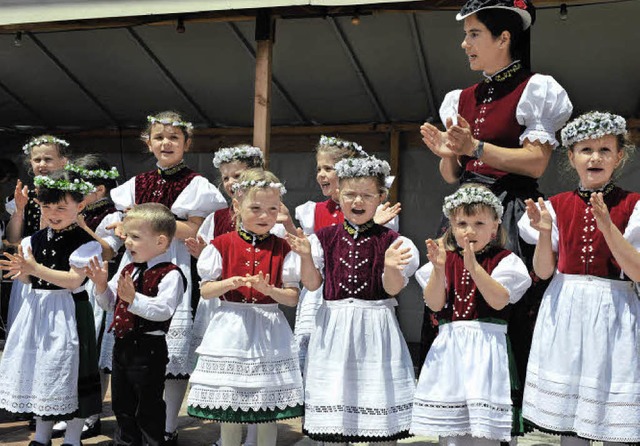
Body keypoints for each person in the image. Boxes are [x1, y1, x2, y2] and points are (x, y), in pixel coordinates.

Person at [418, 0, 573, 399]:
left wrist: (476, 146)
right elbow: (453, 175)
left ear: (504, 38)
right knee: (453, 300)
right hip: (465, 211)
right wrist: (450, 155)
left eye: (474, 34)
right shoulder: (460, 98)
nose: (464, 44)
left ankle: (507, 407)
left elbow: (536, 163)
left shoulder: (536, 89)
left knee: (509, 305)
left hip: (508, 211)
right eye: (466, 34)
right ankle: (455, 403)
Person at [518, 111, 640, 444]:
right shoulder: (556, 206)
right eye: (585, 150)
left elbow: (637, 271)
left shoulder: (634, 205)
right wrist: (544, 233)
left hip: (615, 307)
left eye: (604, 150)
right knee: (570, 419)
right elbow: (544, 271)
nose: (595, 157)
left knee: (615, 409)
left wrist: (608, 227)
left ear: (619, 156)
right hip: (566, 307)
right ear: (571, 158)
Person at [109, 111, 226, 445]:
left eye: (174, 137)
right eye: (159, 137)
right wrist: (125, 225)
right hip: (138, 261)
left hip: (175, 262)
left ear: (186, 143)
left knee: (172, 354)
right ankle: (129, 428)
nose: (166, 143)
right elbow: (118, 220)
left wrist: (148, 223)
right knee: (131, 345)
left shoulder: (196, 184)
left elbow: (194, 227)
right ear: (149, 142)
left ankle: (168, 425)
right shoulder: (137, 183)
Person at [287, 155, 419, 444]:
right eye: (350, 194)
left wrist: (392, 267)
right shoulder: (322, 238)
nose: (357, 201)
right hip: (333, 326)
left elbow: (392, 288)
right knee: (336, 404)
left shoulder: (394, 242)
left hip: (375, 325)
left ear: (381, 197)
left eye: (367, 195)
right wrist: (306, 257)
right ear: (338, 194)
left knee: (378, 400)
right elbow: (311, 283)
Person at [187, 169, 304, 446]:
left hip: (269, 329)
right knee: (230, 407)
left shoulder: (283, 248)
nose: (264, 216)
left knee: (267, 407)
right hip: (231, 328)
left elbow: (292, 298)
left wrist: (270, 291)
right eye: (256, 208)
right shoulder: (220, 245)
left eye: (272, 209)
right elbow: (205, 290)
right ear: (237, 207)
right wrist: (228, 283)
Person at [411, 184, 531, 444]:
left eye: (478, 223)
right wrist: (440, 270)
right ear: (452, 227)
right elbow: (434, 303)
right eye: (462, 223)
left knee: (485, 431)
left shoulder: (506, 260)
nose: (470, 231)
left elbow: (499, 301)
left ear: (495, 226)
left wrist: (474, 268)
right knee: (452, 431)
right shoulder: (446, 259)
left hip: (488, 348)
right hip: (451, 349)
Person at [0, 170, 102, 446]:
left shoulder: (85, 242)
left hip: (69, 310)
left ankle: (72, 438)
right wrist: (21, 271)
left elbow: (72, 280)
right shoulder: (32, 240)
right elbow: (28, 277)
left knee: (72, 373)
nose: (53, 213)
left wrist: (34, 268)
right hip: (38, 310)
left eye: (61, 207)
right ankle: (42, 437)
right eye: (47, 207)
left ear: (79, 206)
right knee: (43, 372)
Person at [185, 145, 270, 446]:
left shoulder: (268, 214)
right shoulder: (218, 216)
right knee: (229, 379)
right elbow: (210, 261)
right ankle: (229, 435)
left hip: (255, 307)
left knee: (257, 377)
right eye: (226, 177)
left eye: (238, 175)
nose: (232, 182)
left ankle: (257, 437)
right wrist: (200, 254)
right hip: (223, 308)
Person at [293, 135, 401, 371]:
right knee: (316, 350)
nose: (322, 174)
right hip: (323, 289)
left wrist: (375, 222)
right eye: (319, 168)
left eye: (328, 168)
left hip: (361, 298)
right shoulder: (313, 210)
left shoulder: (374, 210)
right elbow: (307, 250)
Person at [85, 203, 185, 446]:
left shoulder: (171, 274)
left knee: (147, 406)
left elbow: (163, 310)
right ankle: (126, 443)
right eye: (127, 236)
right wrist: (101, 286)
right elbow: (110, 304)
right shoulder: (128, 269)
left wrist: (134, 299)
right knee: (122, 403)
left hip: (149, 348)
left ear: (161, 242)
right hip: (123, 346)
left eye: (135, 237)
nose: (127, 242)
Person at [49, 156, 124, 440]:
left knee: (91, 348)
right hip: (69, 285)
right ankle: (67, 410)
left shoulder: (112, 215)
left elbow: (109, 251)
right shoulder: (72, 210)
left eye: (83, 184)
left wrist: (80, 224)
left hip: (96, 287)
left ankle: (91, 414)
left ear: (101, 189)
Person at [5, 135, 70, 331]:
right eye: (37, 160)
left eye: (48, 159)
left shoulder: (71, 196)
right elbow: (12, 239)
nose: (42, 164)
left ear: (63, 162)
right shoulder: (24, 196)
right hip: (27, 268)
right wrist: (19, 211)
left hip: (58, 267)